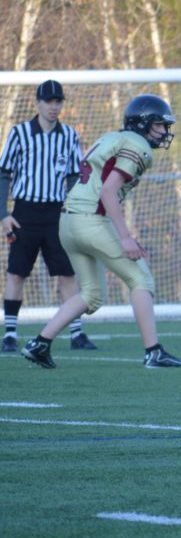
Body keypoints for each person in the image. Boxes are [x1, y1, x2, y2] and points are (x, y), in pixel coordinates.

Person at [22, 94, 181, 369]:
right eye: (159, 124)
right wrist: (124, 236)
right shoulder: (137, 144)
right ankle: (154, 351)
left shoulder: (111, 137)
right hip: (92, 219)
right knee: (141, 280)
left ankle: (39, 343)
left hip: (67, 221)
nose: (163, 131)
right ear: (142, 123)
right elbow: (109, 191)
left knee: (91, 295)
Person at [0, 80, 96, 353]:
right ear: (37, 103)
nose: (54, 106)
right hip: (25, 212)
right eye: (48, 101)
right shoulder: (19, 133)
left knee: (67, 273)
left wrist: (75, 211)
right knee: (16, 273)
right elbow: (3, 172)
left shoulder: (69, 135)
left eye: (58, 101)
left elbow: (75, 175)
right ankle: (9, 334)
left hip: (56, 213)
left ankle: (77, 333)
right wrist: (3, 214)